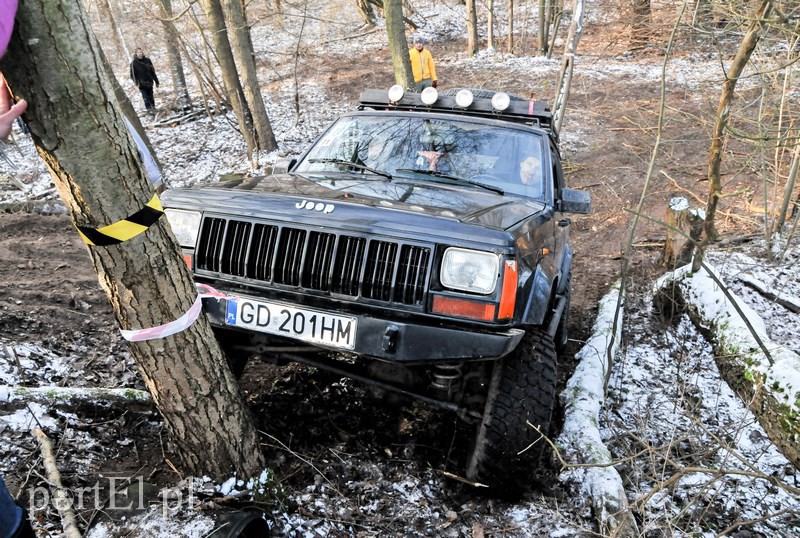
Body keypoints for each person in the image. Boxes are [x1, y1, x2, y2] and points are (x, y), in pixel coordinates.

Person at [129, 48, 160, 115]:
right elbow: (132, 75)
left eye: (141, 52)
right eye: (138, 52)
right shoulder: (133, 63)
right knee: (146, 97)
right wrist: (137, 83)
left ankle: (153, 108)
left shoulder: (148, 60)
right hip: (141, 84)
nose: (140, 53)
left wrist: (156, 81)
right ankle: (149, 110)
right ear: (136, 54)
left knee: (151, 96)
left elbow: (152, 71)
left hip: (149, 81)